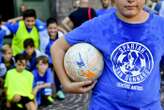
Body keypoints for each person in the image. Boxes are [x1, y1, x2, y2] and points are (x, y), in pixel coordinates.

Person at [51, 0, 164, 109]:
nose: (131, 0)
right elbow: (57, 47)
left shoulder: (160, 26)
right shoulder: (98, 25)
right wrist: (66, 84)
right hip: (104, 106)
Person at [45, 17, 65, 100]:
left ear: (58, 28)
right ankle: (47, 91)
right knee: (47, 72)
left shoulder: (61, 35)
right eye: (50, 28)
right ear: (47, 28)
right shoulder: (44, 37)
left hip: (58, 58)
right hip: (47, 59)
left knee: (58, 71)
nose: (52, 30)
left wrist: (62, 30)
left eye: (55, 28)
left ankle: (59, 90)